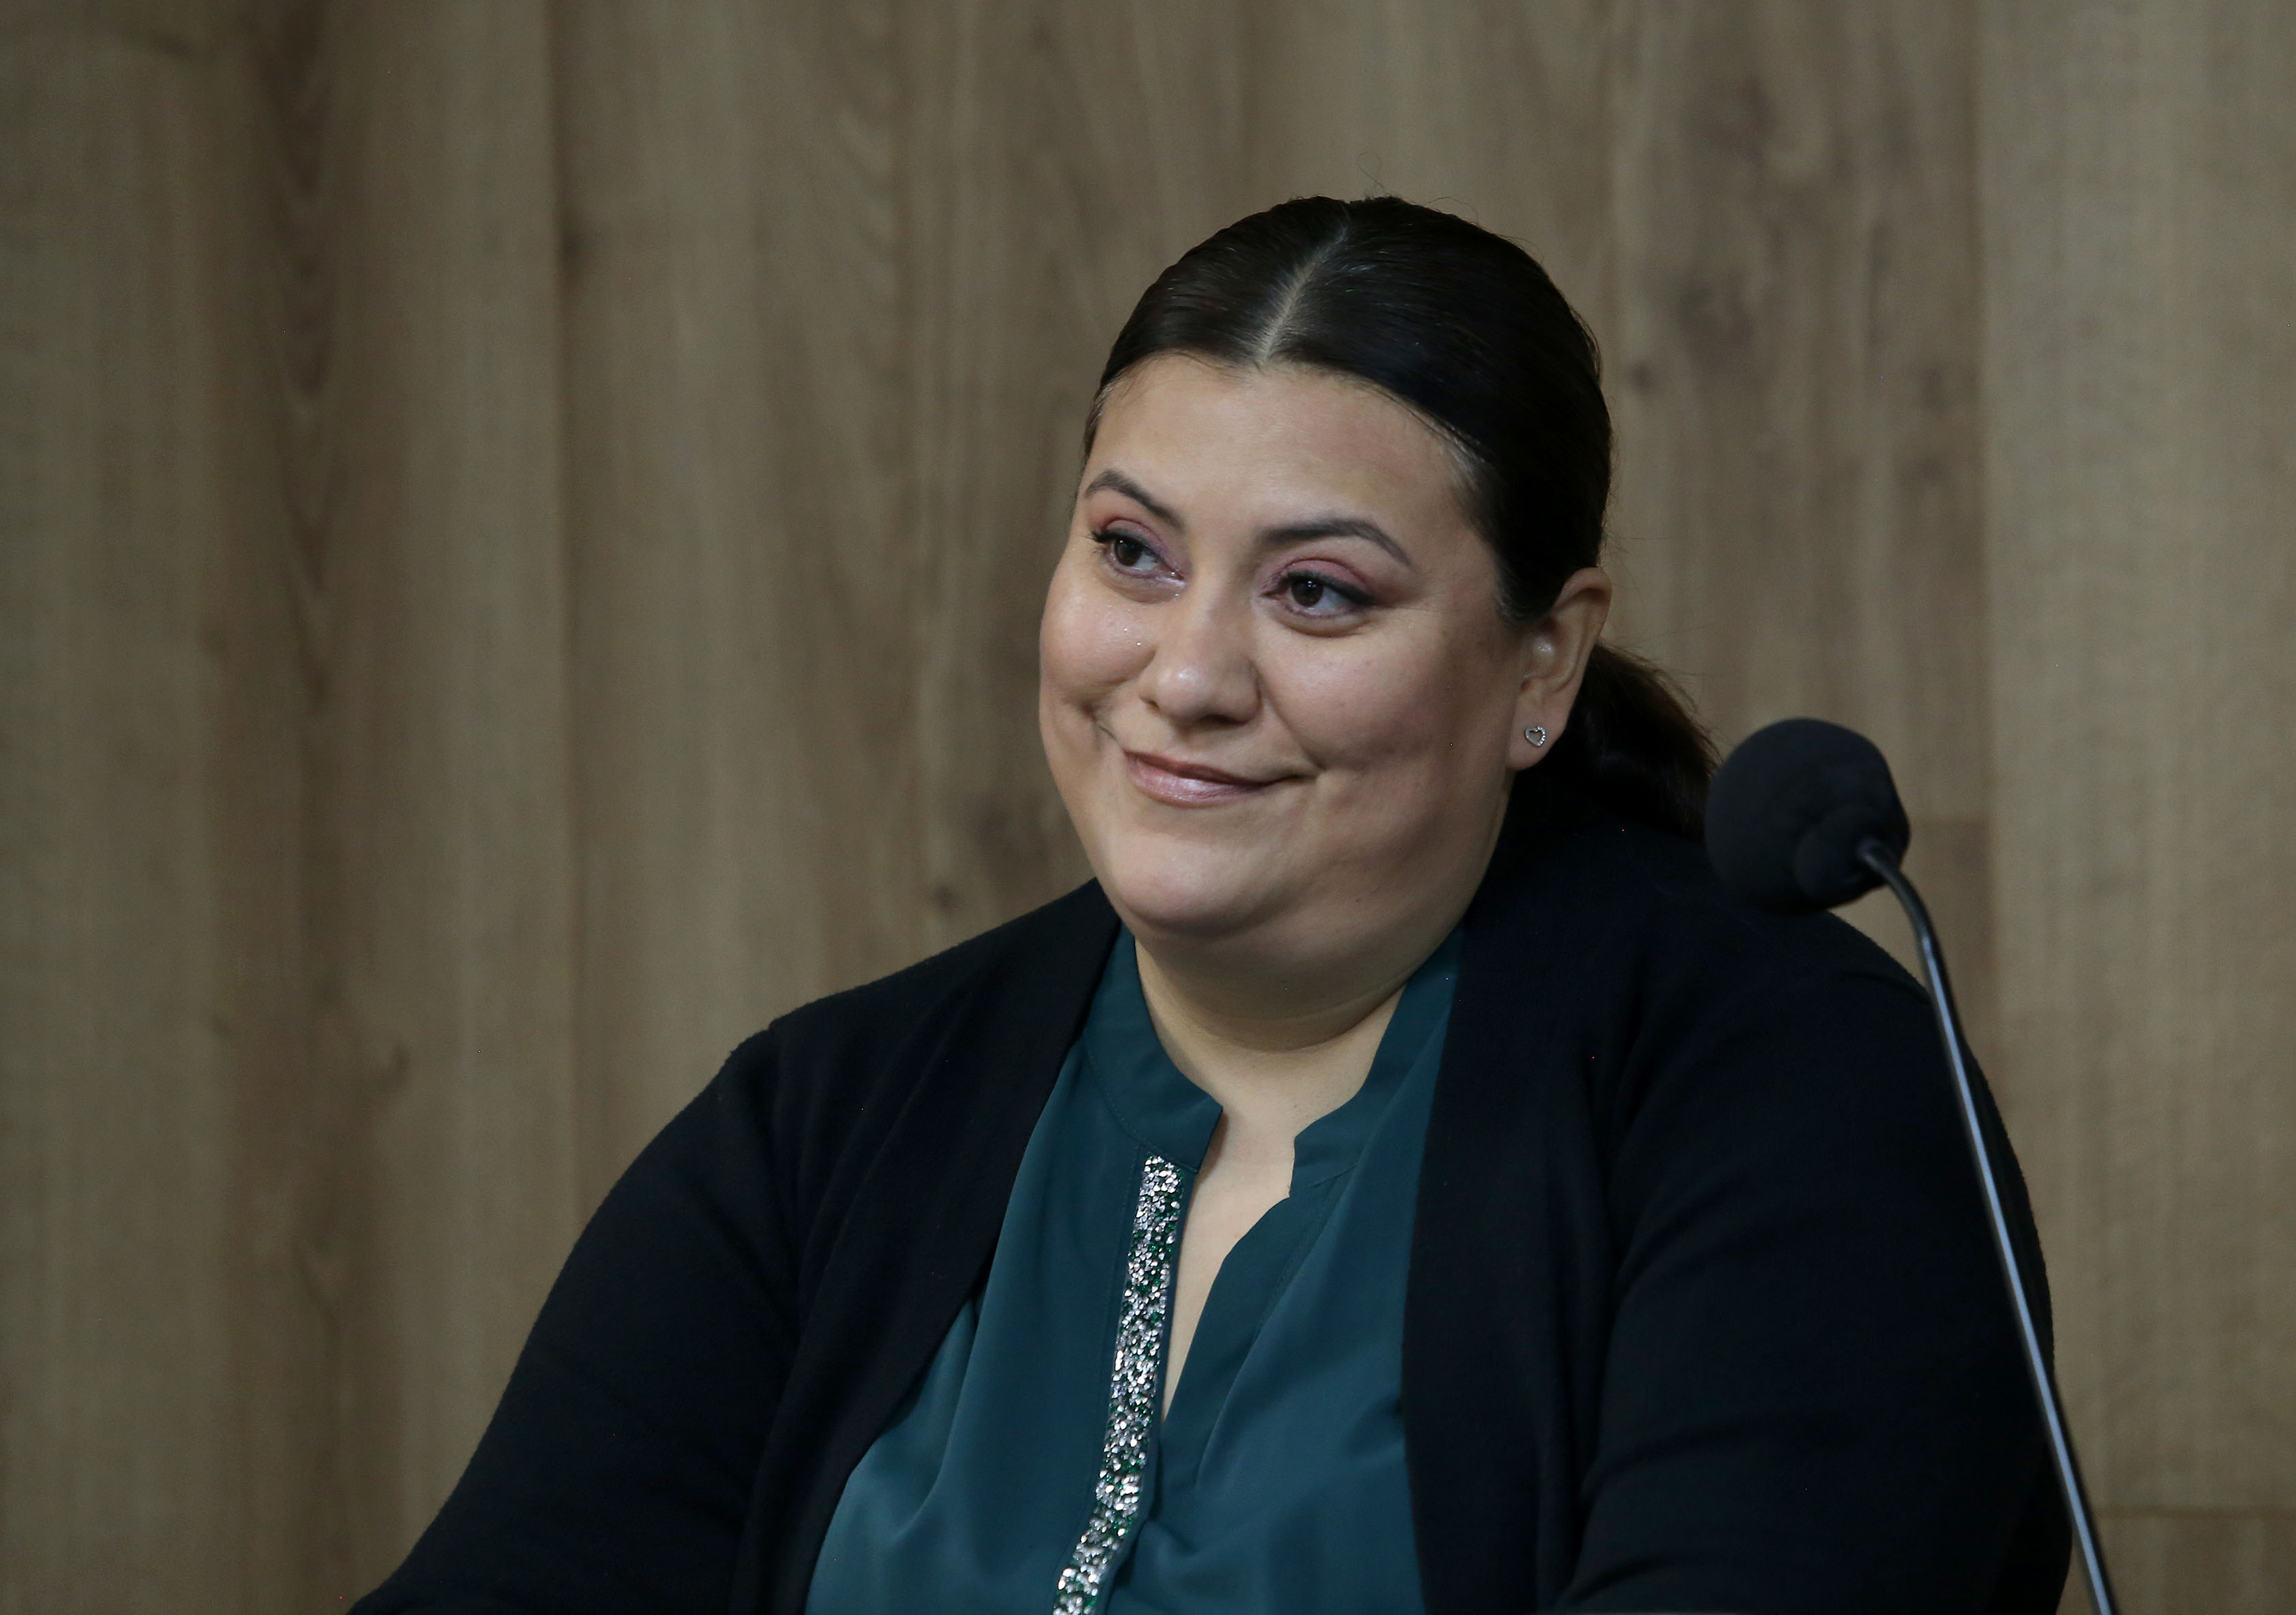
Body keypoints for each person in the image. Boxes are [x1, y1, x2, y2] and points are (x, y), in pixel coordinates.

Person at [353, 197, 2067, 1614]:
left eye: (1315, 592)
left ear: (1542, 661)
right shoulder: (828, 1116)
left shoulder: (1803, 1096)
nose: (1184, 675)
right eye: (1131, 553)